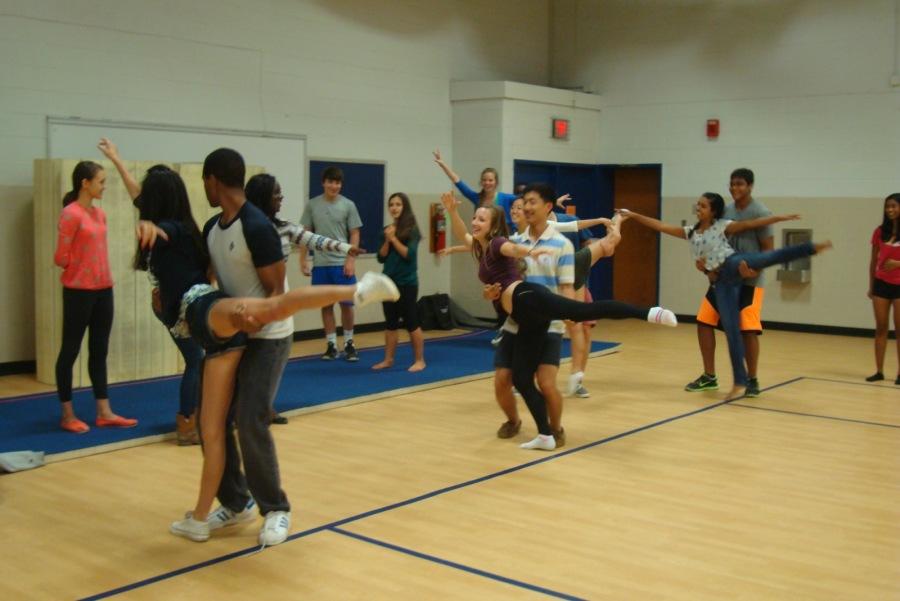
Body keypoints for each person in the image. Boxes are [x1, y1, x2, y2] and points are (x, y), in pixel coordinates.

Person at [126, 159, 397, 543]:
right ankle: (236, 503)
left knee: (251, 419)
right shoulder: (210, 228)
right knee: (213, 425)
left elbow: (276, 296)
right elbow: (187, 252)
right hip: (230, 328)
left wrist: (249, 317)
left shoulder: (256, 226)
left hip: (265, 333)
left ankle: (276, 509)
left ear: (212, 180)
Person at [443, 186, 675, 451]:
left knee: (581, 312)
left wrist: (529, 253)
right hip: (522, 318)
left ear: (494, 225)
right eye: (475, 218)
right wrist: (452, 211)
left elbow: (511, 248)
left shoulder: (497, 243)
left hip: (528, 299)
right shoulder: (481, 249)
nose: (475, 222)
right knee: (519, 378)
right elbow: (463, 234)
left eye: (481, 219)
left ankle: (648, 312)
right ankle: (545, 435)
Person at [620, 194, 831, 399]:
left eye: (703, 206)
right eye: (698, 205)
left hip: (734, 263)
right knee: (732, 330)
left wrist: (779, 218)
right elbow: (660, 226)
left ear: (713, 211)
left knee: (769, 257)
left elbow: (750, 224)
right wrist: (633, 215)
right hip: (721, 282)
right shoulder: (690, 232)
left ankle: (811, 248)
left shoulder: (721, 225)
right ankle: (739, 381)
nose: (698, 209)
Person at [99, 138, 202, 444]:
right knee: (198, 361)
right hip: (180, 305)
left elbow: (136, 194)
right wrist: (151, 230)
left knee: (201, 360)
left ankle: (196, 417)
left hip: (166, 303)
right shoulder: (175, 227)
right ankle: (187, 423)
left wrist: (118, 160)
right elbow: (164, 232)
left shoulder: (162, 220)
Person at [245, 173, 363, 423]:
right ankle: (246, 408)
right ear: (263, 197)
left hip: (278, 298)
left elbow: (312, 239)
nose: (281, 198)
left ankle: (265, 406)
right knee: (252, 358)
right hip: (249, 298)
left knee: (276, 355)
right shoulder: (244, 227)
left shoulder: (284, 226)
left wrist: (345, 249)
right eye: (277, 194)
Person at [53, 158, 137, 434]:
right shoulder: (70, 213)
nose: (104, 186)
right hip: (78, 292)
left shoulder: (99, 215)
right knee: (70, 350)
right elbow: (60, 257)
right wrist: (79, 267)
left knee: (99, 350)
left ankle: (104, 411)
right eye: (101, 181)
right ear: (85, 184)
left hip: (104, 289)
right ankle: (67, 414)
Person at [686, 169, 773, 397]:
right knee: (704, 322)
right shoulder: (726, 211)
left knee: (748, 330)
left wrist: (751, 270)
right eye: (732, 184)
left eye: (740, 184)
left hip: (750, 283)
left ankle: (752, 379)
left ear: (750, 186)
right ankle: (709, 376)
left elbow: (768, 250)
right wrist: (707, 268)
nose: (735, 188)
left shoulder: (760, 212)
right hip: (723, 279)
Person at [299, 167, 363, 361]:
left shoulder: (348, 205)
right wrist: (303, 259)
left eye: (337, 182)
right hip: (321, 264)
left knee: (347, 305)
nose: (334, 186)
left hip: (341, 264)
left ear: (340, 185)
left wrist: (350, 259)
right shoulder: (312, 205)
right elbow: (306, 234)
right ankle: (331, 345)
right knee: (325, 306)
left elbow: (355, 233)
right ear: (323, 182)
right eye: (330, 182)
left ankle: (349, 343)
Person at [373, 192, 426, 372]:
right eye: (392, 204)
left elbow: (408, 255)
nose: (394, 208)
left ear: (405, 207)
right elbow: (380, 257)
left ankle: (420, 360)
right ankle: (388, 359)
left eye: (398, 204)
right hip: (388, 283)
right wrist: (388, 240)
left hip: (407, 283)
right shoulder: (386, 230)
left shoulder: (412, 230)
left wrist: (394, 238)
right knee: (390, 323)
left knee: (411, 321)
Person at [432, 149, 517, 225]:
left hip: (503, 241)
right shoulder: (477, 198)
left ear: (496, 182)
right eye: (484, 180)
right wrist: (442, 165)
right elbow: (457, 181)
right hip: (482, 240)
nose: (487, 183)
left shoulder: (506, 198)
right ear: (481, 182)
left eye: (490, 180)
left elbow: (524, 201)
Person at [867, 193, 900, 384]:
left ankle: (899, 373)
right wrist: (871, 286)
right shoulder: (879, 232)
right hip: (881, 284)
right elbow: (873, 260)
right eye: (888, 206)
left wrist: (898, 263)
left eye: (894, 206)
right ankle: (879, 371)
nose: (890, 210)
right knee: (881, 327)